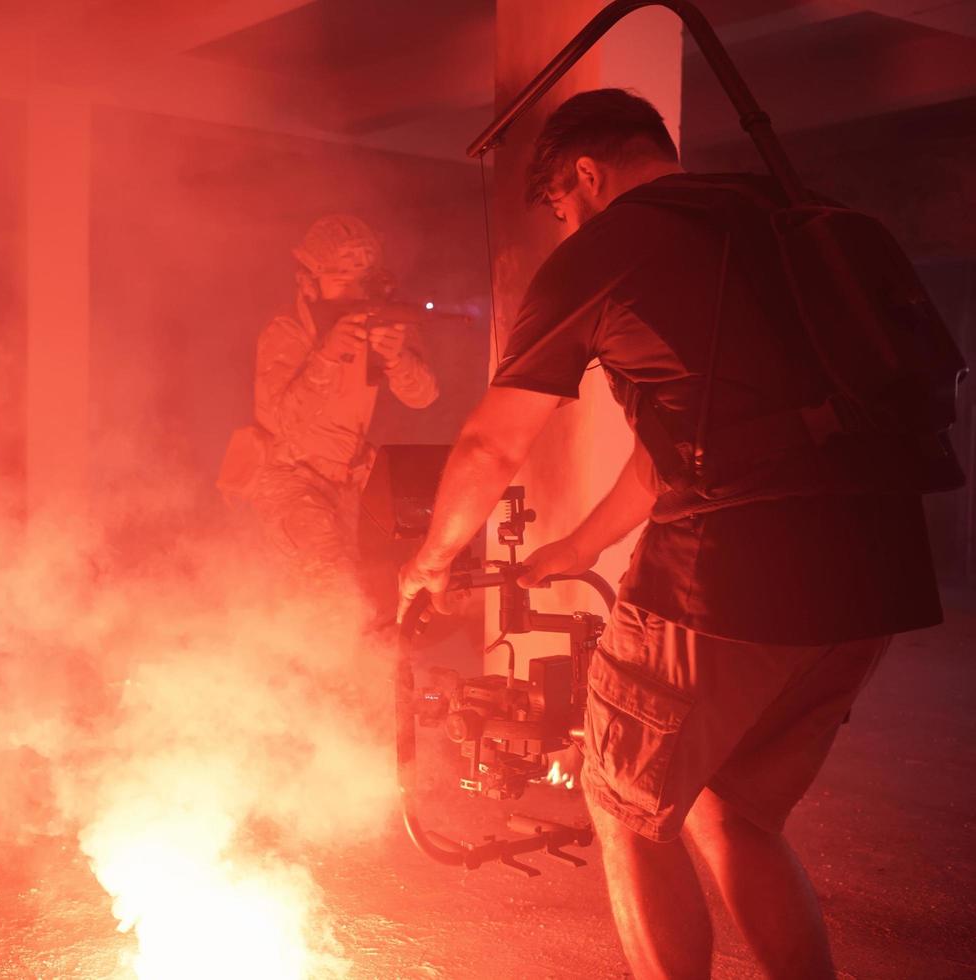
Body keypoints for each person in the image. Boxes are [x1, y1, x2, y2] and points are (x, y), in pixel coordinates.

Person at [397, 89, 942, 979]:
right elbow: (680, 450)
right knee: (733, 813)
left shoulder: (609, 251)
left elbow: (494, 439)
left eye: (566, 208)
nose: (569, 226)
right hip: (875, 581)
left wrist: (429, 563)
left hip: (724, 585)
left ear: (587, 172)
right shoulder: (788, 223)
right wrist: (577, 548)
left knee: (624, 805)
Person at [246, 214, 439, 582]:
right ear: (310, 283)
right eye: (340, 280)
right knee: (329, 591)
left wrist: (398, 360)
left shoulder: (378, 323)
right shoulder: (288, 332)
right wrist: (326, 357)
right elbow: (284, 420)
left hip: (346, 486)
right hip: (291, 478)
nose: (352, 294)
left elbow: (424, 396)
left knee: (332, 593)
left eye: (360, 282)